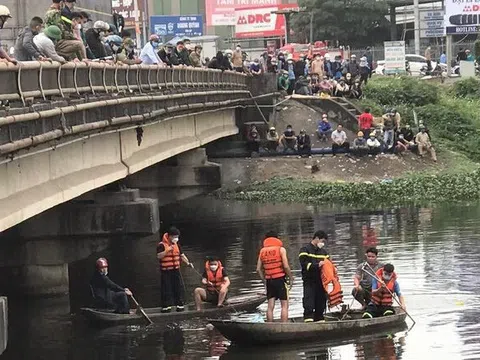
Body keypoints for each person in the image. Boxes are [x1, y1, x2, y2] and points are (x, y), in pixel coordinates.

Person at [257, 232, 293, 322]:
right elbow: (285, 266)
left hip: (269, 279)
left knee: (270, 306)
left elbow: (258, 269)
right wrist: (291, 277)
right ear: (277, 239)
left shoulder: (262, 251)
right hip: (280, 279)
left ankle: (270, 325)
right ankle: (284, 326)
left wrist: (264, 280)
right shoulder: (281, 249)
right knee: (284, 305)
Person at [156, 227, 194, 313]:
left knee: (178, 287)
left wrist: (188, 263)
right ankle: (166, 306)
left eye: (177, 236)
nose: (176, 238)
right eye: (174, 236)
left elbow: (182, 255)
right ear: (169, 236)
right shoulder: (161, 245)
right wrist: (167, 250)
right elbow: (159, 256)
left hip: (175, 269)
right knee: (166, 288)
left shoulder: (177, 245)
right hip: (166, 270)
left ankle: (179, 304)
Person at [299, 230, 330, 322]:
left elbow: (328, 264)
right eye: (322, 241)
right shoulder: (305, 250)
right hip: (309, 280)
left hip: (321, 280)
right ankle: (308, 318)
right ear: (316, 238)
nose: (323, 244)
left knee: (321, 300)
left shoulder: (324, 252)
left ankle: (319, 317)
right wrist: (317, 265)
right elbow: (304, 264)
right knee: (309, 299)